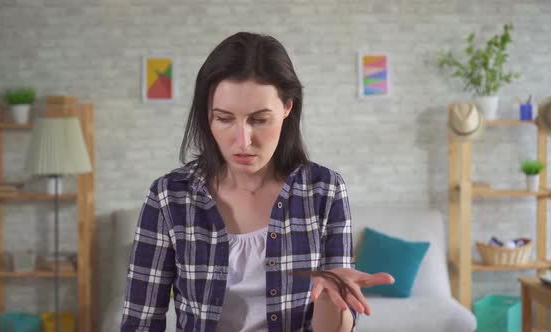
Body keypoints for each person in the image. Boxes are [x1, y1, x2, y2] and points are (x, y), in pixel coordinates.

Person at [120, 32, 394, 332]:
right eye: (224, 119)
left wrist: (333, 293)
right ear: (207, 115)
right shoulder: (168, 197)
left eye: (259, 119)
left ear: (287, 107)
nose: (242, 141)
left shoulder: (324, 190)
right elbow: (141, 320)